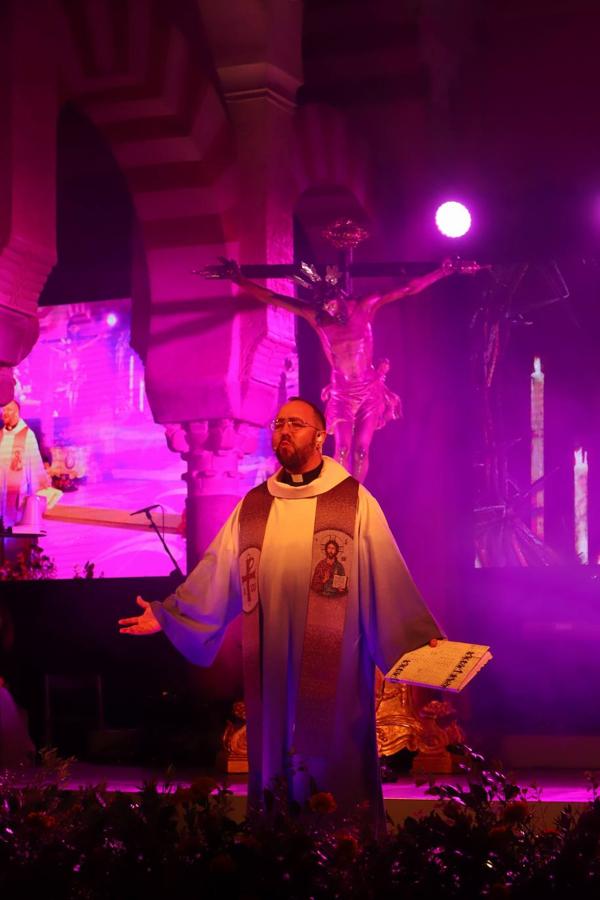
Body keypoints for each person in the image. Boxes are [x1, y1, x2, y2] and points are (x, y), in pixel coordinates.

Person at [119, 397, 443, 831]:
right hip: (271, 673)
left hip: (335, 673)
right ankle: (275, 854)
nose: (284, 431)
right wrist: (169, 615)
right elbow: (218, 572)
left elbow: (387, 575)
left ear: (321, 436)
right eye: (278, 423)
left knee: (334, 779)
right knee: (276, 777)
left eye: (297, 424)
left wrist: (420, 643)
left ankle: (346, 857)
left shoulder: (353, 502)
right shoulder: (254, 507)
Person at [201, 257, 467, 481]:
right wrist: (238, 279)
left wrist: (443, 271)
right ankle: (342, 496)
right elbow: (274, 298)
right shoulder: (317, 317)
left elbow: (407, 289)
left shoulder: (365, 307)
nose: (327, 310)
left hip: (369, 390)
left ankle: (357, 498)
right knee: (342, 449)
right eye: (322, 307)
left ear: (338, 295)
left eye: (330, 304)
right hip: (342, 393)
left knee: (361, 451)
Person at [0, 400, 49, 527]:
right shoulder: (1, 435)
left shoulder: (27, 435)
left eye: (9, 410)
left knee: (15, 525)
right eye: (4, 410)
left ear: (17, 413)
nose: (4, 413)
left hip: (18, 494)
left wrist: (33, 492)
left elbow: (34, 465)